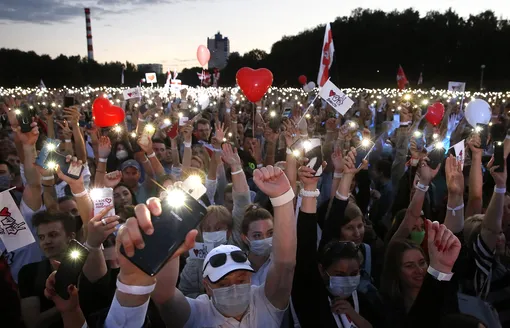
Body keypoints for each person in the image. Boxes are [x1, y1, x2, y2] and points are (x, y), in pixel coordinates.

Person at [121, 164, 296, 327]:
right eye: (223, 284)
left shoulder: (265, 302)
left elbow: (284, 265)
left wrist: (283, 198)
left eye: (241, 280)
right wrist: (165, 227)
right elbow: (164, 296)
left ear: (251, 279)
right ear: (207, 287)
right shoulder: (198, 313)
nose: (233, 289)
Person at [18, 211, 77, 328]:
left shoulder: (87, 266)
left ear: (70, 237)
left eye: (53, 235)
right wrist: (70, 303)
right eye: (41, 237)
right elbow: (33, 323)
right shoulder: (29, 272)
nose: (46, 241)